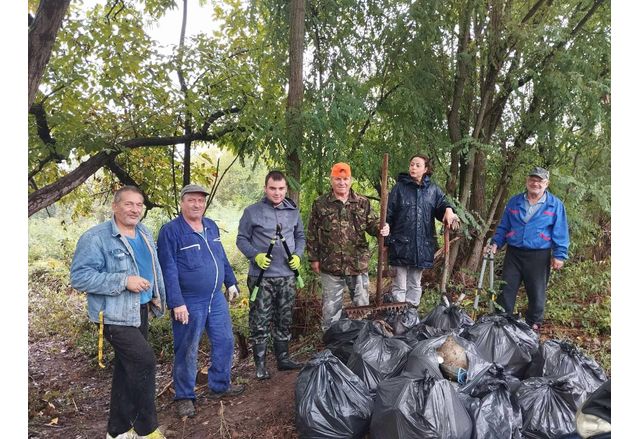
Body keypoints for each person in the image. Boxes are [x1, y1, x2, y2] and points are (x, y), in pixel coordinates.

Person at [70, 186, 167, 439]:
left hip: (141, 310)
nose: (135, 209)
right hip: (113, 315)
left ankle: (118, 430)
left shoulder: (144, 232)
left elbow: (153, 267)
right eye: (128, 204)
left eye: (139, 204)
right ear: (115, 206)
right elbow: (80, 278)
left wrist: (156, 296)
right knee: (144, 362)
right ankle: (147, 429)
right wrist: (124, 281)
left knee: (126, 369)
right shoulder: (96, 238)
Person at [157, 184, 244, 419]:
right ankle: (184, 396)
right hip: (189, 300)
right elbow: (168, 269)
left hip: (215, 298)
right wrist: (176, 302)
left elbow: (221, 257)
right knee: (187, 348)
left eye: (200, 201)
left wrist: (231, 282)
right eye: (192, 200)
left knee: (225, 340)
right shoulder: (171, 231)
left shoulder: (211, 225)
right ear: (182, 202)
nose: (197, 205)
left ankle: (220, 384)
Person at [236, 170, 306, 379]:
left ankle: (283, 358)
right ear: (266, 188)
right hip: (262, 277)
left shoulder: (293, 212)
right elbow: (241, 239)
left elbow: (300, 237)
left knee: (284, 317)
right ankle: (260, 364)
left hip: (287, 276)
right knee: (260, 319)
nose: (277, 193)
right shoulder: (252, 212)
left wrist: (298, 256)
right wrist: (255, 256)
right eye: (273, 188)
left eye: (281, 188)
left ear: (286, 189)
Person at [306, 162, 390, 331]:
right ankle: (332, 345)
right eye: (338, 179)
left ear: (350, 180)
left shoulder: (362, 202)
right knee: (330, 311)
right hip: (330, 265)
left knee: (362, 308)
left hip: (357, 264)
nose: (342, 183)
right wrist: (313, 258)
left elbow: (372, 225)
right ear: (332, 180)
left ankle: (363, 342)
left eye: (345, 179)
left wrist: (383, 228)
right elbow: (312, 232)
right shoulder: (320, 203)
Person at [485, 166, 569, 331]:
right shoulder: (514, 201)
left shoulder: (555, 205)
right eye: (532, 179)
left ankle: (533, 329)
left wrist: (559, 254)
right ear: (527, 181)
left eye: (540, 181)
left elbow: (560, 231)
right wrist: (496, 243)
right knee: (505, 291)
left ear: (546, 184)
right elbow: (504, 226)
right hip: (514, 254)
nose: (535, 183)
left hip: (539, 255)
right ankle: (502, 327)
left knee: (537, 293)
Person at [384, 154, 458, 307]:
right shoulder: (399, 188)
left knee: (415, 284)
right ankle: (399, 319)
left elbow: (443, 205)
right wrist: (386, 238)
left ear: (426, 169)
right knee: (399, 286)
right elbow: (388, 214)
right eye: (412, 164)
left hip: (421, 246)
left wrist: (449, 210)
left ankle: (411, 317)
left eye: (418, 165)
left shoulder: (433, 190)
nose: (413, 168)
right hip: (400, 245)